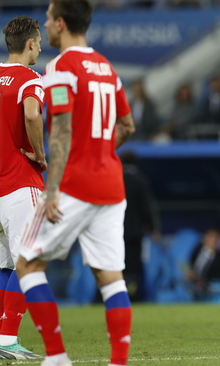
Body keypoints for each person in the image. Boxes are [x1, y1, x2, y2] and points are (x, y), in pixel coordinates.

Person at [15, 1, 135, 366]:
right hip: (111, 186)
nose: (46, 25)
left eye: (49, 18)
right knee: (110, 277)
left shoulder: (60, 67)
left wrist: (51, 189)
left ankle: (56, 358)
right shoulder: (107, 68)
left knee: (27, 264)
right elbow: (127, 127)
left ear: (61, 24)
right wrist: (99, 151)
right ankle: (118, 362)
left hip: (74, 184)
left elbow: (61, 130)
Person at [0, 16, 47, 360]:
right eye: (40, 41)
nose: (41, 47)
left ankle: (1, 338)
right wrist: (41, 156)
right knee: (30, 262)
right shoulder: (31, 79)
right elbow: (32, 114)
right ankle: (6, 340)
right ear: (30, 44)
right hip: (20, 183)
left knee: (5, 265)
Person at [121, 151, 160, 302]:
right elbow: (147, 206)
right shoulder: (140, 179)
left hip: (115, 230)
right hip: (135, 233)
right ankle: (135, 296)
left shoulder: (115, 178)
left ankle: (116, 295)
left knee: (117, 264)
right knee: (135, 266)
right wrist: (153, 228)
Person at [184, 229, 220, 301]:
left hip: (207, 285)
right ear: (205, 239)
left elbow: (217, 276)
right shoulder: (197, 249)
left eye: (216, 240)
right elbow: (191, 263)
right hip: (192, 281)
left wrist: (198, 278)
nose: (213, 242)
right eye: (211, 239)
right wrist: (189, 272)